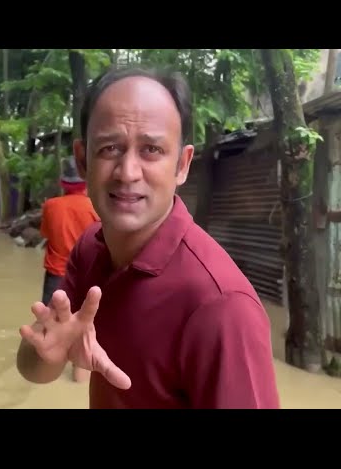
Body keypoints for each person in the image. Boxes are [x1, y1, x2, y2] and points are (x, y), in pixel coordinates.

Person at [15, 65, 280, 409]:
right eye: (110, 148)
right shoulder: (91, 248)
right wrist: (47, 351)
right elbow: (33, 371)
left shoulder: (222, 307)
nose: (127, 172)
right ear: (83, 161)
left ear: (182, 165)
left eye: (151, 150)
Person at [39, 156, 100, 383]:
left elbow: (46, 234)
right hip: (87, 277)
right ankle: (77, 382)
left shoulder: (51, 206)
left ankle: (44, 378)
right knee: (83, 331)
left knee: (49, 328)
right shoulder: (94, 208)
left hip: (56, 276)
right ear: (84, 182)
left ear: (63, 182)